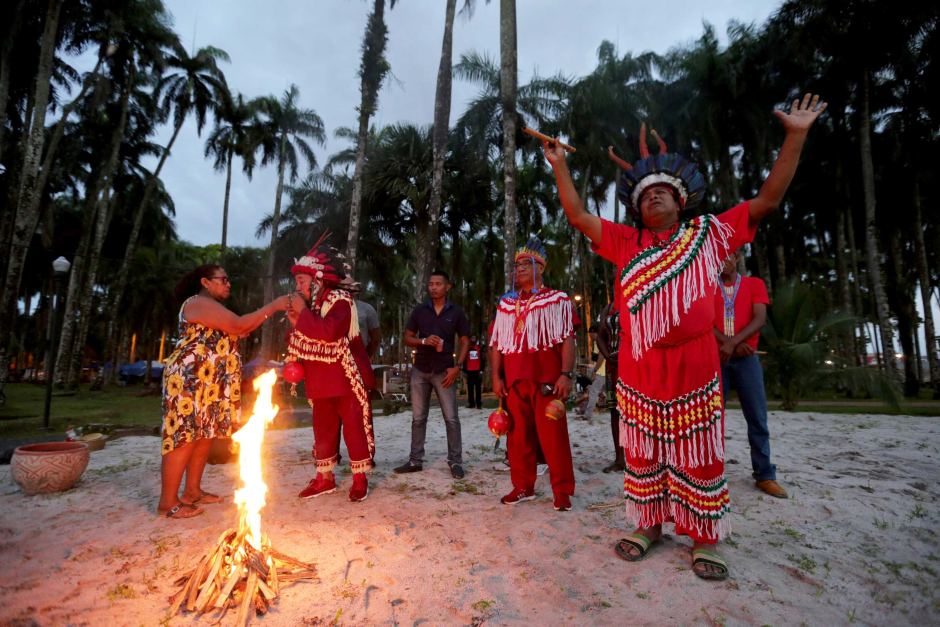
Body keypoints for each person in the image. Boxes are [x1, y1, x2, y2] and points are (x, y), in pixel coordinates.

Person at [544, 93, 826, 579]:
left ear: (680, 199)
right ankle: (650, 525)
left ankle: (704, 537)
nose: (652, 196)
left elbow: (767, 200)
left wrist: (796, 136)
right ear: (637, 207)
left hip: (695, 362)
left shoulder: (710, 234)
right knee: (644, 450)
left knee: (698, 450)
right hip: (639, 364)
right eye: (644, 193)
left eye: (663, 191)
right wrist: (559, 167)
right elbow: (577, 216)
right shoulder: (625, 241)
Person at [158, 265, 290, 518]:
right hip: (189, 378)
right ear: (205, 282)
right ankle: (167, 502)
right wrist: (274, 305)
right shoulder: (197, 302)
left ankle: (192, 491)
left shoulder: (213, 307)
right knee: (184, 437)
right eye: (223, 279)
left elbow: (239, 328)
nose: (228, 284)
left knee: (204, 434)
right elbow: (239, 326)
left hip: (209, 380)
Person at [491, 236, 577, 511]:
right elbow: (497, 343)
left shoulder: (558, 299)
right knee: (518, 440)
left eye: (525, 264)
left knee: (554, 439)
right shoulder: (506, 304)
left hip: (547, 381)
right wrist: (496, 376)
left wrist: (566, 374)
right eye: (516, 266)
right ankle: (522, 486)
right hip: (515, 382)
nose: (519, 269)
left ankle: (562, 490)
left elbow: (567, 338)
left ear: (540, 267)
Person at [287, 237, 376, 502]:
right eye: (297, 282)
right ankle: (324, 478)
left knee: (353, 427)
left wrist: (302, 316)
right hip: (319, 379)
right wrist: (297, 321)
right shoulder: (310, 306)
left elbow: (329, 332)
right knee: (322, 428)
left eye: (301, 281)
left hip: (345, 378)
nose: (297, 286)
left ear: (317, 280)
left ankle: (360, 478)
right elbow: (298, 339)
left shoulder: (341, 300)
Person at [713, 249, 787, 498]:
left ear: (736, 259)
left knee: (757, 416)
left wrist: (733, 343)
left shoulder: (754, 284)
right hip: (717, 358)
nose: (722, 262)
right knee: (713, 418)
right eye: (717, 258)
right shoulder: (707, 287)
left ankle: (765, 475)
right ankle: (711, 474)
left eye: (727, 257)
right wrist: (727, 343)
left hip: (746, 358)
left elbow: (759, 318)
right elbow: (703, 320)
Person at [394, 270, 470, 479]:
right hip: (420, 370)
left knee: (451, 419)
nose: (433, 287)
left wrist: (458, 367)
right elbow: (407, 337)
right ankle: (415, 460)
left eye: (438, 283)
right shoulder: (420, 311)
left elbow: (465, 341)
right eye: (431, 284)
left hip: (445, 371)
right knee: (418, 418)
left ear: (447, 287)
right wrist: (424, 341)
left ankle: (455, 462)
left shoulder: (456, 312)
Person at [596, 302, 626, 473]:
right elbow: (600, 336)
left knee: (636, 411)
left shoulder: (637, 298)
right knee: (615, 411)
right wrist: (608, 356)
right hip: (612, 365)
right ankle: (620, 459)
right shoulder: (608, 308)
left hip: (633, 362)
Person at [576, 325, 605, 420]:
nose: (589, 336)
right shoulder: (597, 342)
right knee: (589, 388)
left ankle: (587, 414)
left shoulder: (600, 341)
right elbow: (596, 358)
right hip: (598, 369)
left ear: (592, 332)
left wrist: (595, 370)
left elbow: (601, 357)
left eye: (590, 334)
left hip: (601, 371)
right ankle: (584, 410)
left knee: (593, 392)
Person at [463, 335, 484, 409]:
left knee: (478, 388)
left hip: (477, 371)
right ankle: (471, 403)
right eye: (472, 338)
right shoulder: (467, 349)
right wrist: (464, 371)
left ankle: (479, 404)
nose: (473, 339)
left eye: (474, 338)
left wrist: (481, 370)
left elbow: (482, 360)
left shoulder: (479, 348)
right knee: (470, 388)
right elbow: (464, 360)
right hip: (469, 371)